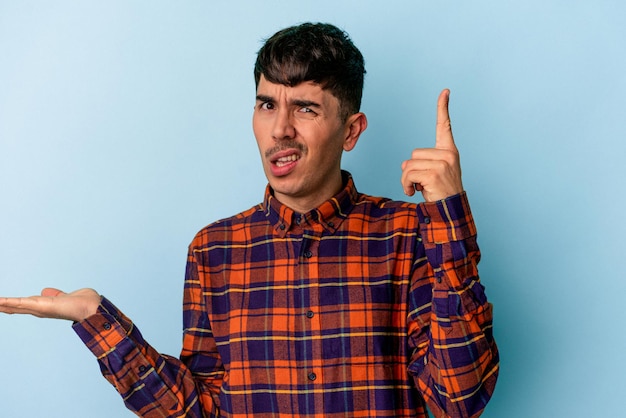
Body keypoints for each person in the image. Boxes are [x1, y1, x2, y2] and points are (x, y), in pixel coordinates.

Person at [0, 22, 499, 418]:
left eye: (305, 107)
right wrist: (97, 320)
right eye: (266, 104)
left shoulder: (409, 235)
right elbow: (200, 410)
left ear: (351, 131)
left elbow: (459, 400)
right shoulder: (213, 250)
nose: (280, 129)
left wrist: (448, 221)